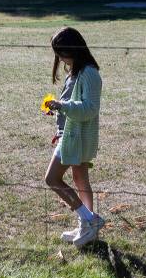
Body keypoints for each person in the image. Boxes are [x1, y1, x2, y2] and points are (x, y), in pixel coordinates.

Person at [43, 27, 105, 247]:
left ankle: (90, 219)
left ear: (73, 49)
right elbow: (72, 104)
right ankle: (86, 225)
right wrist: (58, 109)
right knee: (80, 179)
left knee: (52, 179)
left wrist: (63, 106)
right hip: (68, 134)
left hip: (75, 137)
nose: (59, 58)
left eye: (61, 53)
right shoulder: (75, 71)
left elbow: (90, 108)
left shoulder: (89, 73)